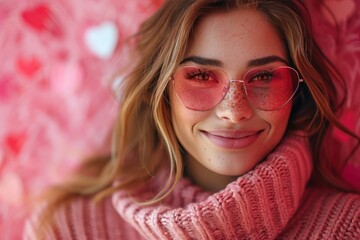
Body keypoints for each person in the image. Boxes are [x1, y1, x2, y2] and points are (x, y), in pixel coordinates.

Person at [24, 0, 360, 239]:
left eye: (264, 78)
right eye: (200, 76)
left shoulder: (349, 226)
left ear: (298, 90)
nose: (234, 111)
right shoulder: (66, 229)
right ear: (160, 90)